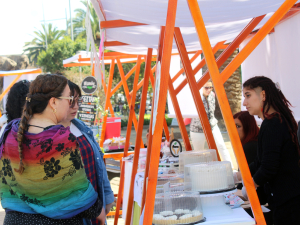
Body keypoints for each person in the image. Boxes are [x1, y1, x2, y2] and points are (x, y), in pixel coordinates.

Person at [0, 74, 105, 225]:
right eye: (69, 99)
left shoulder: (10, 133)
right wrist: (98, 211)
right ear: (54, 102)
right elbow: (78, 192)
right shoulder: (62, 139)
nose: (71, 105)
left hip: (15, 221)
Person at [243, 76, 300, 225]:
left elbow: (268, 167)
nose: (244, 103)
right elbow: (261, 162)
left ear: (263, 95)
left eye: (248, 95)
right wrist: (239, 176)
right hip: (286, 200)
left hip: (288, 203)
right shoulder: (273, 122)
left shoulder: (273, 124)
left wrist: (248, 188)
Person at [60, 81, 114, 225]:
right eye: (71, 101)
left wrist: (107, 195)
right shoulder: (50, 135)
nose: (76, 106)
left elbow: (99, 165)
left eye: (78, 100)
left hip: (96, 203)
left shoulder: (80, 126)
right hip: (75, 213)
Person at [233, 111, 273, 224]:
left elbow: (250, 174)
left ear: (248, 127)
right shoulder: (249, 144)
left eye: (238, 126)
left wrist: (239, 188)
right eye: (232, 126)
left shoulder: (250, 146)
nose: (234, 129)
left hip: (261, 200)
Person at [189, 80, 233, 165]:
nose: (209, 89)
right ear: (201, 88)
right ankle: (200, 172)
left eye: (211, 87)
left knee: (221, 145)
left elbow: (211, 112)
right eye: (206, 87)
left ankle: (230, 167)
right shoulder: (195, 97)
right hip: (197, 128)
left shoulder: (212, 95)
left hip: (212, 125)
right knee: (199, 153)